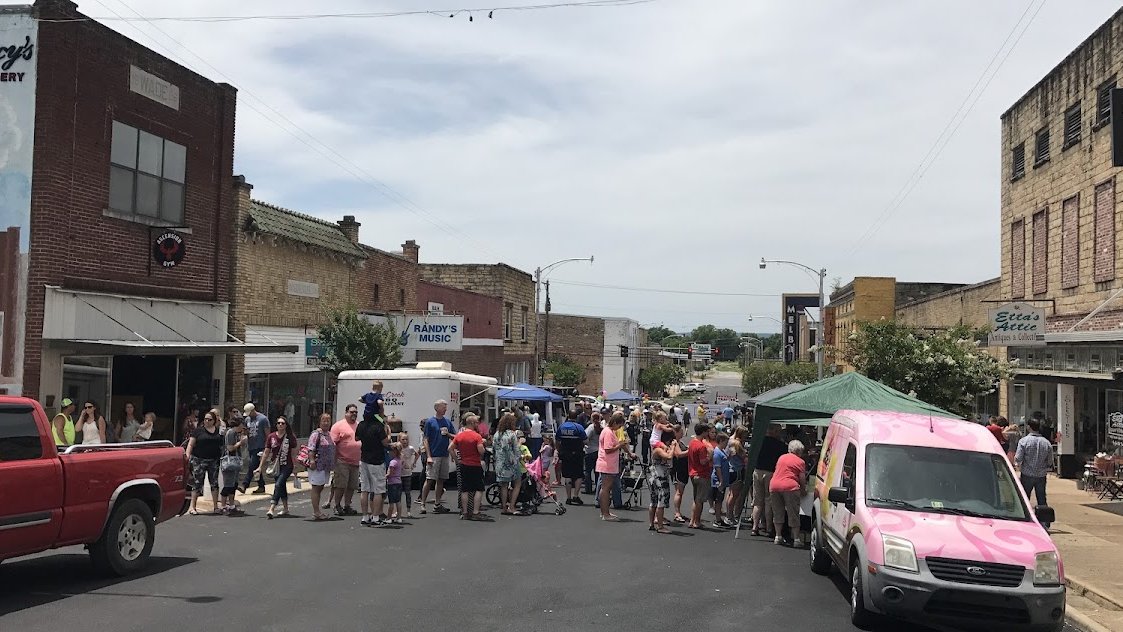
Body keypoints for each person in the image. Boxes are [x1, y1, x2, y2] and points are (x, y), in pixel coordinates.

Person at [1015, 418, 1054, 529]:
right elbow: (1050, 461)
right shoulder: (1046, 443)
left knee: (1025, 497)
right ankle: (1045, 522)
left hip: (1027, 473)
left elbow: (1018, 458)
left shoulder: (1024, 441)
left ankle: (1025, 518)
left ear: (1029, 427)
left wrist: (1018, 464)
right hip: (1041, 475)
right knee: (1041, 498)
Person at [356, 407, 390, 526]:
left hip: (364, 459)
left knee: (365, 489)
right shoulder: (378, 426)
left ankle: (365, 516)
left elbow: (357, 438)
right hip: (377, 460)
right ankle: (376, 517)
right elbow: (385, 442)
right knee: (378, 490)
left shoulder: (361, 425)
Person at [770, 440, 808, 547]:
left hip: (774, 485)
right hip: (790, 487)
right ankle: (796, 539)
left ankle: (778, 536)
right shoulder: (800, 462)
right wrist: (803, 490)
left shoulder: (781, 457)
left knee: (778, 512)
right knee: (793, 513)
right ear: (799, 451)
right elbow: (802, 479)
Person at [420, 400, 455, 515]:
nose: (445, 409)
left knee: (441, 480)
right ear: (437, 408)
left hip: (444, 454)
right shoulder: (430, 422)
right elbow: (426, 439)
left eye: (445, 407)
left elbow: (455, 437)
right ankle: (423, 504)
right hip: (434, 455)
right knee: (429, 479)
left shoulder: (447, 422)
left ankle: (437, 504)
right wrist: (429, 456)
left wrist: (448, 434)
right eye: (443, 407)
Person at [751, 424, 787, 537]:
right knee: (768, 501)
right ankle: (768, 527)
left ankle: (755, 526)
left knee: (757, 501)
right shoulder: (781, 445)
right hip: (771, 473)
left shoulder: (758, 442)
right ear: (776, 431)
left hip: (757, 470)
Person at [185, 409, 223, 515]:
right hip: (199, 460)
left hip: (213, 460)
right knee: (197, 483)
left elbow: (222, 444)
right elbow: (191, 444)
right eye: (205, 419)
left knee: (214, 483)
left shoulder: (218, 431)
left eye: (210, 419)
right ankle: (193, 507)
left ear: (214, 421)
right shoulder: (198, 431)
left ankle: (215, 507)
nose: (207, 421)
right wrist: (187, 455)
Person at [451, 413, 488, 521]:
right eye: (476, 422)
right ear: (472, 423)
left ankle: (465, 512)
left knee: (465, 489)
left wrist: (457, 460)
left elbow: (450, 448)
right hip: (475, 464)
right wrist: (483, 448)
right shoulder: (477, 436)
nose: (478, 424)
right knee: (479, 489)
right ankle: (476, 512)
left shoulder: (459, 435)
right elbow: (481, 450)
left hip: (463, 464)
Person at [259, 416, 297, 519]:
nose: (280, 425)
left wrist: (295, 467)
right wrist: (260, 467)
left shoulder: (290, 437)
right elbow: (266, 452)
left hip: (287, 465)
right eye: (278, 423)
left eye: (283, 423)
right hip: (275, 466)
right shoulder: (271, 437)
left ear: (286, 425)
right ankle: (285, 508)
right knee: (281, 486)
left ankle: (272, 508)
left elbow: (293, 453)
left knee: (278, 484)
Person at [328, 404, 361, 516]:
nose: (354, 414)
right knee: (341, 485)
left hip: (355, 461)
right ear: (346, 413)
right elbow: (332, 444)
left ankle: (347, 505)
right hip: (342, 461)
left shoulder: (359, 425)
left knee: (352, 485)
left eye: (356, 412)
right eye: (352, 412)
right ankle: (337, 505)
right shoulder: (338, 426)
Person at [493, 413, 526, 516]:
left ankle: (504, 507)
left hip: (500, 462)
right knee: (517, 483)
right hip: (511, 462)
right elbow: (516, 450)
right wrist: (520, 456)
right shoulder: (512, 434)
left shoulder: (497, 434)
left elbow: (494, 448)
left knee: (504, 485)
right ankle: (512, 506)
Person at [648, 430, 680, 534]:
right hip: (659, 478)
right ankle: (660, 526)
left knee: (655, 501)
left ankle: (652, 524)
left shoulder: (664, 448)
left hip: (660, 477)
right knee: (658, 502)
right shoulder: (657, 450)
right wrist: (674, 446)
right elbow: (669, 457)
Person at [597, 412, 626, 521]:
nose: (619, 428)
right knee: (605, 489)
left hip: (608, 464)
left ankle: (605, 512)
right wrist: (620, 445)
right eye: (619, 425)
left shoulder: (609, 431)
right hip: (607, 464)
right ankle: (605, 513)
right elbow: (608, 449)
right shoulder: (608, 432)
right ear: (614, 423)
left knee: (606, 488)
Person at [307, 412, 337, 521]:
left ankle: (318, 511)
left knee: (320, 487)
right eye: (323, 420)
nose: (326, 422)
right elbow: (311, 448)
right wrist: (311, 461)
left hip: (326, 466)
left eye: (328, 420)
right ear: (319, 422)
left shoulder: (328, 434)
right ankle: (316, 512)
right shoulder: (316, 434)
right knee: (316, 487)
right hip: (317, 465)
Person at [556, 410, 588, 505]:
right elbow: (586, 441)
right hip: (577, 454)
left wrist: (558, 451)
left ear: (568, 416)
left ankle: (568, 497)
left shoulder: (561, 427)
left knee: (567, 475)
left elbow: (557, 441)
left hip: (565, 454)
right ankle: (576, 496)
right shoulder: (579, 427)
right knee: (578, 475)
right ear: (576, 417)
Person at [687, 422, 714, 529]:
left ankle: (693, 520)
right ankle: (696, 521)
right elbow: (703, 461)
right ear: (703, 432)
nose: (708, 433)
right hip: (701, 474)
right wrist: (710, 456)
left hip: (693, 473)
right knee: (700, 500)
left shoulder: (693, 442)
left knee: (696, 499)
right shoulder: (701, 446)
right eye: (707, 431)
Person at [220, 416, 248, 514]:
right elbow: (230, 448)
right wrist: (241, 442)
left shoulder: (237, 433)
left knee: (234, 484)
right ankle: (223, 505)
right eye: (242, 424)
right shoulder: (231, 433)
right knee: (228, 484)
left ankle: (231, 505)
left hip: (236, 461)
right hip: (229, 461)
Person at [242, 403, 270, 494]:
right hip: (251, 446)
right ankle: (261, 485)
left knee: (252, 464)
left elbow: (268, 434)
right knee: (256, 466)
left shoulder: (263, 419)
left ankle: (245, 484)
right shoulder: (247, 419)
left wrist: (267, 447)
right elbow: (246, 432)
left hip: (260, 446)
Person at [726, 428, 749, 525]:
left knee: (731, 493)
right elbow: (744, 456)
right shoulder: (737, 444)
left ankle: (729, 515)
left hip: (732, 469)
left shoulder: (731, 442)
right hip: (737, 470)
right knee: (734, 495)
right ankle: (729, 516)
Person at [711, 432, 732, 529]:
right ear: (721, 441)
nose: (726, 445)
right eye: (725, 442)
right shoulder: (717, 453)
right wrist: (721, 480)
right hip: (718, 480)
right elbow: (717, 467)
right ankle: (717, 520)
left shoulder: (722, 451)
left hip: (722, 479)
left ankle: (719, 519)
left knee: (720, 499)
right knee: (718, 500)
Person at [670, 424, 690, 523]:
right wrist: (690, 451)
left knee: (680, 492)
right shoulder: (674, 442)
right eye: (681, 431)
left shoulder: (679, 442)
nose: (682, 433)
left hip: (683, 469)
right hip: (677, 469)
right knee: (678, 491)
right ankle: (677, 513)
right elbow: (678, 454)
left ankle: (679, 512)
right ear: (676, 432)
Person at [398, 430, 418, 518]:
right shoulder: (397, 448)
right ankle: (397, 511)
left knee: (407, 492)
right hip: (398, 474)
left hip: (407, 473)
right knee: (397, 493)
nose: (405, 441)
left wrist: (414, 463)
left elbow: (417, 454)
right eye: (403, 439)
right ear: (399, 440)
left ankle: (408, 510)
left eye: (406, 439)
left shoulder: (410, 448)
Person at [583, 412, 603, 494]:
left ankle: (588, 489)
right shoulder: (602, 427)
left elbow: (585, 438)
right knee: (597, 471)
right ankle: (597, 488)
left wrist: (585, 444)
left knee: (587, 471)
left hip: (590, 451)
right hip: (598, 451)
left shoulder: (591, 427)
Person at [385, 445, 404, 524]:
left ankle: (389, 518)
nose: (389, 453)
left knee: (391, 502)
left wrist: (384, 476)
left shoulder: (392, 462)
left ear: (394, 452)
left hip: (392, 483)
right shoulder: (399, 460)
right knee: (398, 501)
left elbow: (390, 473)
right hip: (399, 482)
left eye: (390, 451)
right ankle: (399, 517)